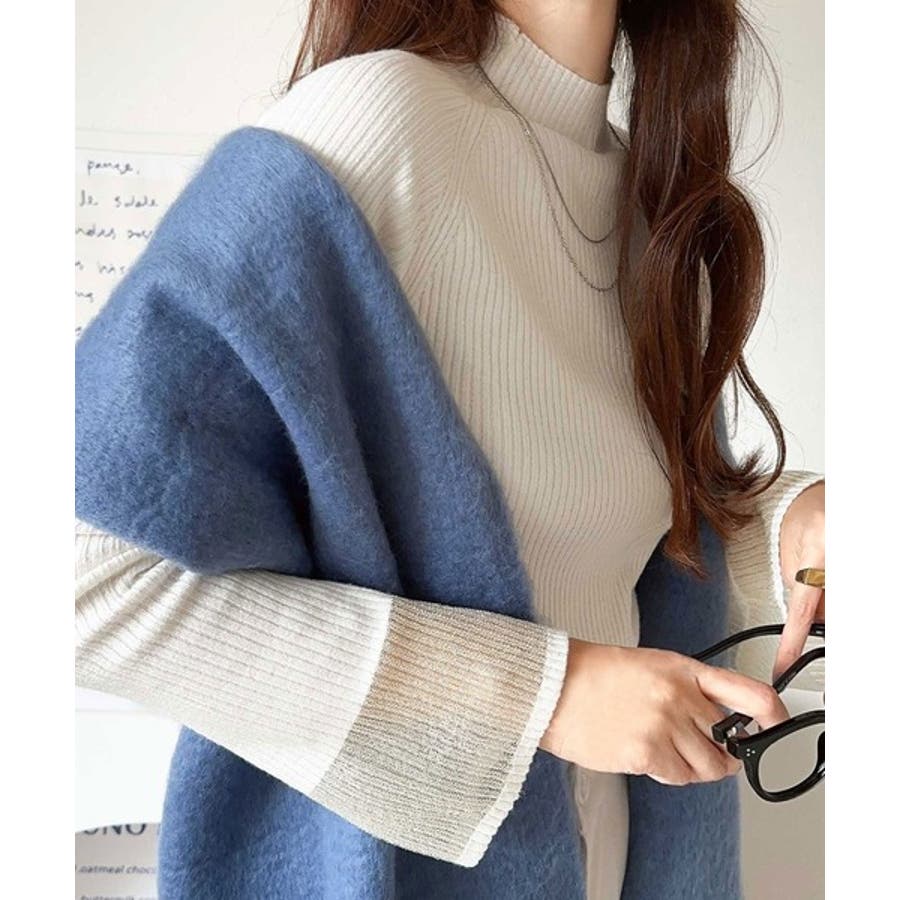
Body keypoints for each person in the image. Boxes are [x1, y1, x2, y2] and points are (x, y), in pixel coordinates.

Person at [74, 1, 826, 897]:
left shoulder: (651, 202)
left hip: (607, 854)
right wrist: (548, 694)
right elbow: (79, 574)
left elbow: (605, 553)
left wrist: (794, 527)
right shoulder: (371, 124)